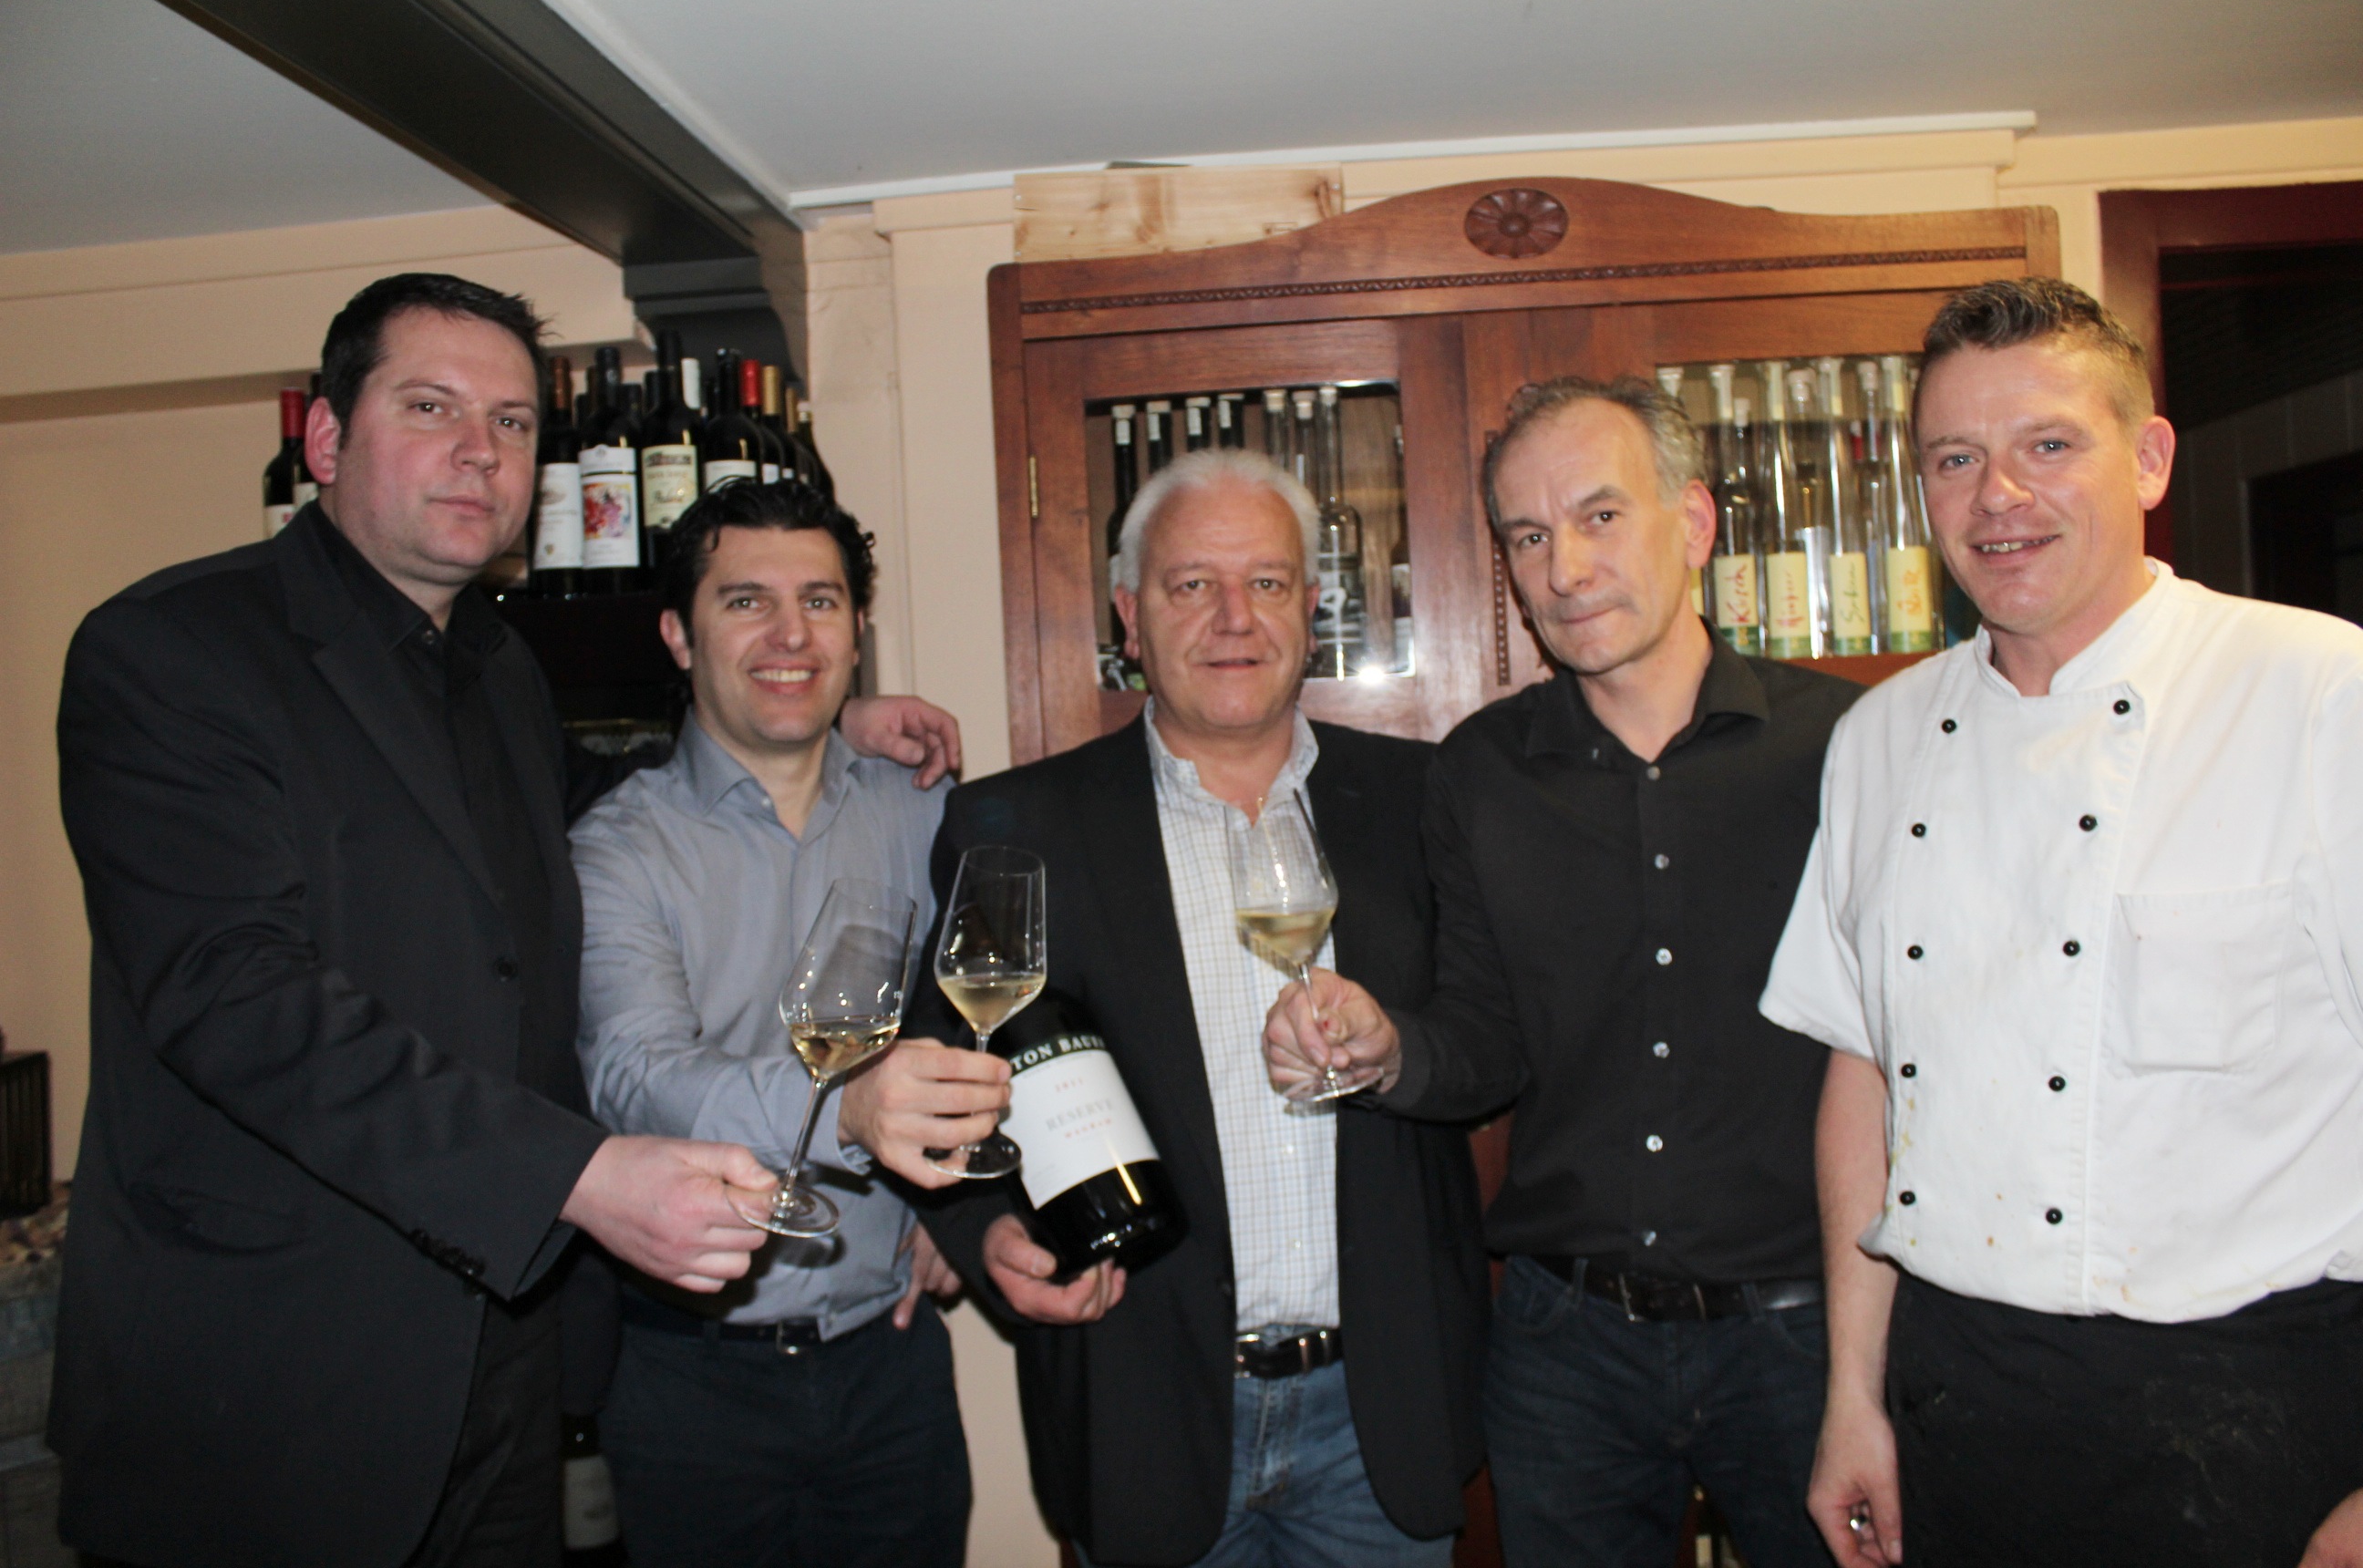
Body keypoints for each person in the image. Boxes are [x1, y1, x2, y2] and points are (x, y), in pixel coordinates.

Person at [48, 272, 958, 1568]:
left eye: (515, 422)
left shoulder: (492, 665)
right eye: (432, 407)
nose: (481, 450)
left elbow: (598, 803)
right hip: (272, 1385)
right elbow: (237, 1000)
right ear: (326, 438)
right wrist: (574, 1176)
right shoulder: (177, 650)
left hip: (508, 1371)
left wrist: (806, 715)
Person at [1760, 277, 2363, 1568]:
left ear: (2148, 459)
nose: (1998, 496)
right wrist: (1853, 1396)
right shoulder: (1879, 737)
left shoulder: (2322, 693)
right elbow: (1864, 1073)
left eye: (2048, 444)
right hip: (1960, 1389)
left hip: (2265, 1397)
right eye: (1955, 458)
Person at [1265, 377, 1856, 1565]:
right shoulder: (1480, 772)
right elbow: (1483, 1041)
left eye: (1600, 517)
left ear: (1693, 523)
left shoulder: (1844, 745)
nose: (1566, 569)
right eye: (1529, 537)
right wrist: (1388, 1049)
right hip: (1566, 1348)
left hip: (1807, 1335)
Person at [913, 449, 1488, 1567]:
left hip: (1380, 1418)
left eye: (1266, 582)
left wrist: (1398, 1051)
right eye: (1192, 585)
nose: (1234, 617)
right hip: (1143, 1407)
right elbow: (947, 1070)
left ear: (1309, 608)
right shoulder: (1017, 826)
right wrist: (985, 1236)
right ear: (1130, 616)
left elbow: (1492, 1044)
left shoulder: (1422, 800)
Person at [572, 477, 1009, 1566]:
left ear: (859, 631)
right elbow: (637, 1076)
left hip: (892, 1370)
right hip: (684, 1383)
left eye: (820, 601)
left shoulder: (929, 812)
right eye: (745, 601)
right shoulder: (615, 850)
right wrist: (850, 1111)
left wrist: (961, 1212)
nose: (789, 634)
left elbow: (990, 1018)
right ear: (679, 636)